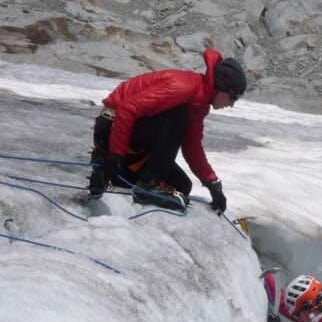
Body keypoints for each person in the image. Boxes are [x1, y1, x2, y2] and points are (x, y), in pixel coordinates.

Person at [88, 50, 246, 210]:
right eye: (233, 97)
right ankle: (146, 186)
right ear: (221, 86)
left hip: (132, 140)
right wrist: (115, 155)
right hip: (111, 129)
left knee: (182, 186)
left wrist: (212, 184)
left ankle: (106, 172)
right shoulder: (184, 87)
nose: (232, 104)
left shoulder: (200, 103)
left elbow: (192, 146)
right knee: (179, 114)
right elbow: (127, 110)